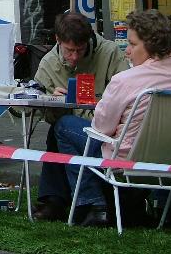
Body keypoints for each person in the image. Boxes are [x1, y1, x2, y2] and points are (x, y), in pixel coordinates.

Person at [53, 9, 171, 227]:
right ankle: (160, 206)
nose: (127, 51)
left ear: (152, 43)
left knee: (64, 126)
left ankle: (92, 204)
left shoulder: (127, 80)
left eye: (132, 44)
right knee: (168, 138)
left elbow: (101, 128)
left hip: (130, 159)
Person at [32, 12, 129, 221]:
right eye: (69, 51)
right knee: (59, 127)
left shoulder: (109, 52)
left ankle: (72, 201)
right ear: (58, 41)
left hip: (106, 130)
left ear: (90, 40)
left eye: (80, 50)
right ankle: (60, 200)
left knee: (61, 128)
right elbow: (35, 106)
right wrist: (53, 101)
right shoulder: (48, 64)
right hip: (77, 130)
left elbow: (126, 96)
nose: (74, 57)